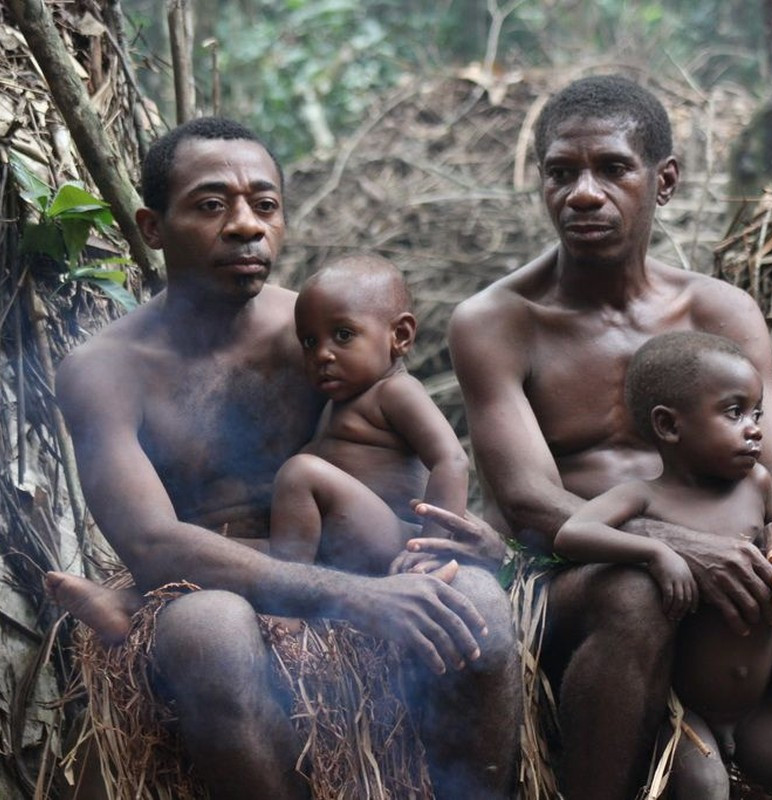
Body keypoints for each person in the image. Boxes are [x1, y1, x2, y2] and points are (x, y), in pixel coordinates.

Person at [48, 116, 520, 799]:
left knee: (476, 602)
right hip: (203, 581)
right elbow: (152, 543)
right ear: (152, 228)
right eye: (212, 205)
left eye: (264, 205)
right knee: (211, 632)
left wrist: (455, 543)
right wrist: (356, 597)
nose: (245, 225)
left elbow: (408, 462)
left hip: (347, 554)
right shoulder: (104, 370)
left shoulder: (324, 334)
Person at [448, 74, 772, 798]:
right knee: (634, 593)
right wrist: (672, 545)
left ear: (663, 179)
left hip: (719, 578)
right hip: (573, 578)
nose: (583, 193)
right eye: (561, 173)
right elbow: (527, 502)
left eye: (612, 168)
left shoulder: (718, 313)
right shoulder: (498, 321)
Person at [559, 331, 772, 799]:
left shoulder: (757, 484)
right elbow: (573, 533)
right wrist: (656, 551)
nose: (754, 428)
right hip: (686, 711)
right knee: (706, 789)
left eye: (757, 413)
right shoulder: (643, 496)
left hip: (755, 708)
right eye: (734, 413)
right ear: (670, 427)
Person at [268, 252, 469, 574]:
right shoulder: (337, 403)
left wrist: (432, 548)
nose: (322, 354)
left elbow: (452, 461)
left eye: (343, 335)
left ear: (400, 336)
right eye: (309, 341)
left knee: (300, 472)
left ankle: (286, 605)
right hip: (347, 541)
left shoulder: (396, 391)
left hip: (396, 539)